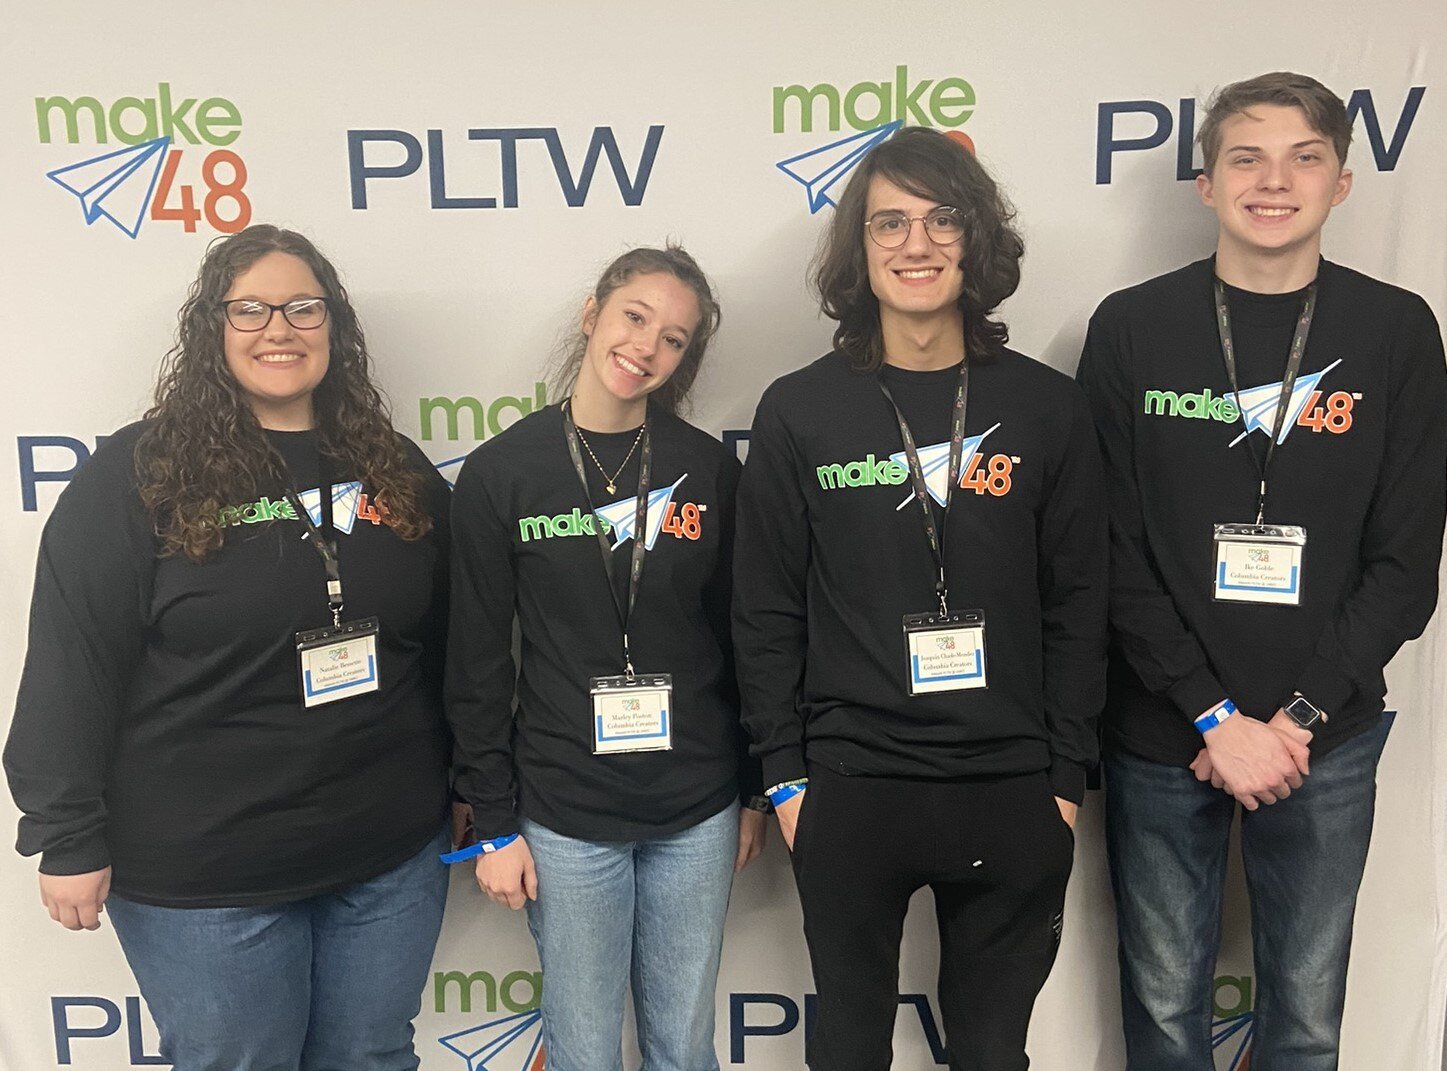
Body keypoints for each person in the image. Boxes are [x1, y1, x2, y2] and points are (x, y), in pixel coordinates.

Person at [4, 225, 453, 1071]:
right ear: (211, 327)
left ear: (335, 326)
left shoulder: (392, 467)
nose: (278, 328)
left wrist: (471, 782)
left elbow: (447, 640)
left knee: (372, 1058)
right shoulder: (139, 473)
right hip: (207, 871)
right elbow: (73, 663)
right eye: (249, 308)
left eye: (302, 307)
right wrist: (66, 834)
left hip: (386, 853)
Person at [1076, 71, 1447, 1069]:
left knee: (1306, 1021)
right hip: (1162, 731)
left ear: (1342, 183)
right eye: (1246, 156)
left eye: (1303, 157)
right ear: (1205, 184)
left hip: (1323, 738)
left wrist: (1291, 724)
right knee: (1160, 1019)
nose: (1272, 180)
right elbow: (1108, 554)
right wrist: (1210, 716)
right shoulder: (1129, 328)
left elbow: (1407, 563)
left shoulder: (1396, 332)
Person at [733, 126, 1107, 1071]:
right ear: (857, 249)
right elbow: (766, 608)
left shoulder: (1046, 408)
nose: (916, 243)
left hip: (1011, 785)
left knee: (989, 1055)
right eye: (888, 222)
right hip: (852, 785)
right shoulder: (798, 410)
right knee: (848, 1053)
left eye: (942, 219)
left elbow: (1077, 601)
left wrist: (1061, 778)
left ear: (976, 238)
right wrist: (784, 780)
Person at [446, 245, 766, 1071]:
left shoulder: (706, 472)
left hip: (695, 805)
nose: (646, 347)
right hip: (565, 810)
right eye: (634, 318)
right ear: (593, 314)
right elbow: (477, 661)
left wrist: (757, 791)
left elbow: (745, 641)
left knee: (682, 1045)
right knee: (583, 1048)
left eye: (673, 338)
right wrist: (493, 821)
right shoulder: (501, 474)